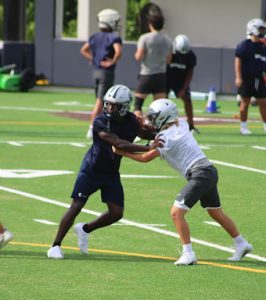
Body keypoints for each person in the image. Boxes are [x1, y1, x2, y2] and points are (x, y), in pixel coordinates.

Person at [113, 98, 253, 265]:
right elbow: (155, 135)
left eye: (154, 116)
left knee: (176, 212)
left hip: (200, 173)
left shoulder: (166, 136)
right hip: (208, 171)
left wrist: (122, 152)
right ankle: (241, 243)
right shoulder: (182, 124)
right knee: (215, 212)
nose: (150, 120)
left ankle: (189, 253)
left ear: (164, 117)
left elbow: (145, 157)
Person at [47, 85, 157, 259]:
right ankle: (55, 245)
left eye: (114, 105)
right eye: (108, 104)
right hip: (91, 169)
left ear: (124, 107)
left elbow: (143, 132)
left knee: (116, 213)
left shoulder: (132, 120)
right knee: (76, 206)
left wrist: (164, 133)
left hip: (111, 172)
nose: (109, 108)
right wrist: (148, 147)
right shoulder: (100, 122)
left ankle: (85, 229)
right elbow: (119, 144)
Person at [80, 9, 122, 139]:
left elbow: (84, 50)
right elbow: (118, 52)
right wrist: (113, 61)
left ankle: (103, 126)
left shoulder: (94, 36)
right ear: (110, 22)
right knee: (101, 101)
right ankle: (92, 127)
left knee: (102, 101)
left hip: (96, 71)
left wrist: (94, 59)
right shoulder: (114, 37)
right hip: (106, 73)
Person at [134, 11, 172, 118]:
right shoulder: (168, 40)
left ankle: (137, 131)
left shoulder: (145, 38)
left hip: (146, 74)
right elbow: (169, 60)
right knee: (160, 108)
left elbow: (138, 56)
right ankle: (158, 133)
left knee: (137, 106)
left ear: (150, 24)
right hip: (161, 76)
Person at [235, 18, 266, 135]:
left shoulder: (263, 46)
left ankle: (265, 125)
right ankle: (243, 126)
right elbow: (237, 61)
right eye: (260, 29)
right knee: (245, 102)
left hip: (259, 79)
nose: (262, 31)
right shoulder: (244, 45)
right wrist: (238, 77)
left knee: (263, 103)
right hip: (246, 79)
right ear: (253, 29)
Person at [166, 34, 199, 133]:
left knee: (187, 99)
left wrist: (184, 89)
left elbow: (189, 73)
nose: (182, 56)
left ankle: (191, 125)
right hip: (166, 78)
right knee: (162, 100)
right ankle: (160, 125)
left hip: (180, 80)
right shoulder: (168, 52)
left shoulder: (190, 56)